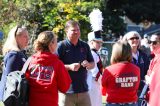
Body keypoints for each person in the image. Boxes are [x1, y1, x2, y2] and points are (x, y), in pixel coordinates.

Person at [25, 31, 71, 106]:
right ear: (51, 44)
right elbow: (65, 87)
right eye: (56, 42)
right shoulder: (57, 63)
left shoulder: (30, 61)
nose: (57, 45)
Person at [57, 20, 95, 106]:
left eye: (78, 29)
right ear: (67, 31)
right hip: (66, 92)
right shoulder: (61, 46)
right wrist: (69, 67)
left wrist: (88, 65)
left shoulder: (85, 46)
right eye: (73, 30)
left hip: (83, 91)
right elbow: (55, 66)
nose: (77, 32)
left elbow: (93, 63)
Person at [102, 41, 140, 106]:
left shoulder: (108, 70)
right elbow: (136, 87)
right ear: (129, 52)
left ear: (114, 53)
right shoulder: (137, 69)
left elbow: (103, 90)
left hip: (113, 103)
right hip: (132, 103)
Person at [0, 25, 29, 100]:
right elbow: (11, 80)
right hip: (11, 98)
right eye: (25, 36)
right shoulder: (14, 55)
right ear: (16, 38)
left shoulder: (20, 53)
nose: (28, 39)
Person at [123, 31, 150, 97]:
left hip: (142, 90)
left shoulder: (143, 55)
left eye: (137, 38)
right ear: (126, 41)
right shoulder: (123, 56)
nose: (135, 40)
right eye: (132, 38)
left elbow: (148, 71)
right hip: (128, 89)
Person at [87, 31, 103, 106]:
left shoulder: (94, 53)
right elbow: (95, 72)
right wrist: (102, 81)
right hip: (92, 83)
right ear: (91, 42)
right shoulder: (92, 54)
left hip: (94, 83)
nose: (100, 44)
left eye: (100, 42)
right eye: (97, 42)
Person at [144, 33, 160, 105]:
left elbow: (153, 80)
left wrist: (147, 78)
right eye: (150, 42)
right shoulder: (154, 57)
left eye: (154, 43)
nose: (151, 44)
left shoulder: (159, 58)